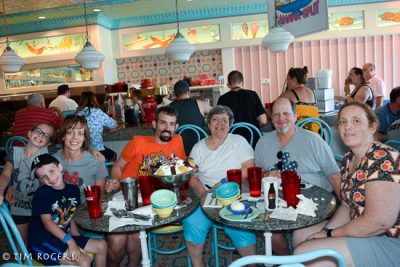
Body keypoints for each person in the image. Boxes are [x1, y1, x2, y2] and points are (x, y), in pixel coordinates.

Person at [293, 102, 400, 267]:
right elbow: (346, 206)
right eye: (343, 121)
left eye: (356, 121)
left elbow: (380, 222)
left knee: (305, 251)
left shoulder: (383, 157)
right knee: (300, 235)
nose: (347, 126)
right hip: (362, 230)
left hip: (389, 239)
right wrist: (325, 231)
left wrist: (331, 234)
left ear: (372, 127)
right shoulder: (349, 158)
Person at [254, 97, 340, 254]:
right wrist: (267, 174)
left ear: (295, 116)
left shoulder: (313, 140)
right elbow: (258, 174)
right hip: (279, 201)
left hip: (314, 202)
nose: (281, 118)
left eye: (286, 113)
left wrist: (347, 207)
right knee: (270, 232)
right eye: (276, 114)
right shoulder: (263, 142)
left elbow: (334, 175)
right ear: (270, 118)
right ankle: (288, 260)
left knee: (300, 238)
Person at [104, 105, 185, 267]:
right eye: (163, 123)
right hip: (127, 193)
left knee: (135, 237)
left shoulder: (177, 140)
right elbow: (117, 166)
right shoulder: (137, 142)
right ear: (154, 124)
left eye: (171, 124)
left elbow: (181, 168)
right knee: (116, 241)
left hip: (152, 198)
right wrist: (115, 181)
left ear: (176, 127)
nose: (167, 128)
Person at [183, 105, 256, 267]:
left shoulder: (238, 141)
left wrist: (223, 183)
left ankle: (252, 264)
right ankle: (198, 265)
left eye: (224, 120)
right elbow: (191, 177)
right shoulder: (198, 148)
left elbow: (249, 169)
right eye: (215, 120)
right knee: (192, 222)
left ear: (230, 124)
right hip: (206, 195)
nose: (219, 124)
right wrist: (204, 194)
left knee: (240, 227)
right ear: (208, 124)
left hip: (234, 195)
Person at [28, 153, 107, 266]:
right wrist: (71, 242)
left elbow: (70, 216)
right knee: (85, 261)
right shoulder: (42, 194)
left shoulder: (73, 190)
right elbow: (47, 222)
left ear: (60, 167)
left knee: (102, 245)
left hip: (62, 237)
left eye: (51, 171)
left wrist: (77, 238)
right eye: (43, 177)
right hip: (41, 242)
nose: (50, 178)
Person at [0, 122, 54, 243]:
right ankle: (24, 261)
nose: (41, 136)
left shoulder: (49, 154)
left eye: (46, 136)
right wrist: (1, 191)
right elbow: (5, 174)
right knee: (22, 244)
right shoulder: (14, 153)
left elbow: (69, 149)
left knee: (41, 242)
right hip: (18, 206)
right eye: (38, 132)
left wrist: (92, 149)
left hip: (42, 209)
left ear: (48, 143)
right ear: (29, 133)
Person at [53, 115, 108, 204]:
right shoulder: (52, 161)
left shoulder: (96, 161)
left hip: (86, 211)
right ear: (63, 136)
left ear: (84, 138)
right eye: (70, 132)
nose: (75, 137)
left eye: (80, 133)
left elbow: (99, 194)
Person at [217, 70, 267, 146]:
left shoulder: (222, 99)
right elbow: (263, 121)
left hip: (231, 142)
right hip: (253, 140)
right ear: (242, 82)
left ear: (228, 84)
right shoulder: (253, 95)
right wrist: (252, 126)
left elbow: (219, 124)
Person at [170, 80, 212, 155]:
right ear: (189, 92)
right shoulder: (200, 103)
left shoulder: (169, 108)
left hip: (178, 149)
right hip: (200, 147)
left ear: (175, 94)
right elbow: (217, 112)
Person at [75, 91, 118, 162]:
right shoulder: (97, 112)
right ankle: (105, 172)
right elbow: (114, 125)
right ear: (94, 100)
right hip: (98, 150)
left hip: (81, 151)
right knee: (114, 155)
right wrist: (113, 114)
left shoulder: (77, 113)